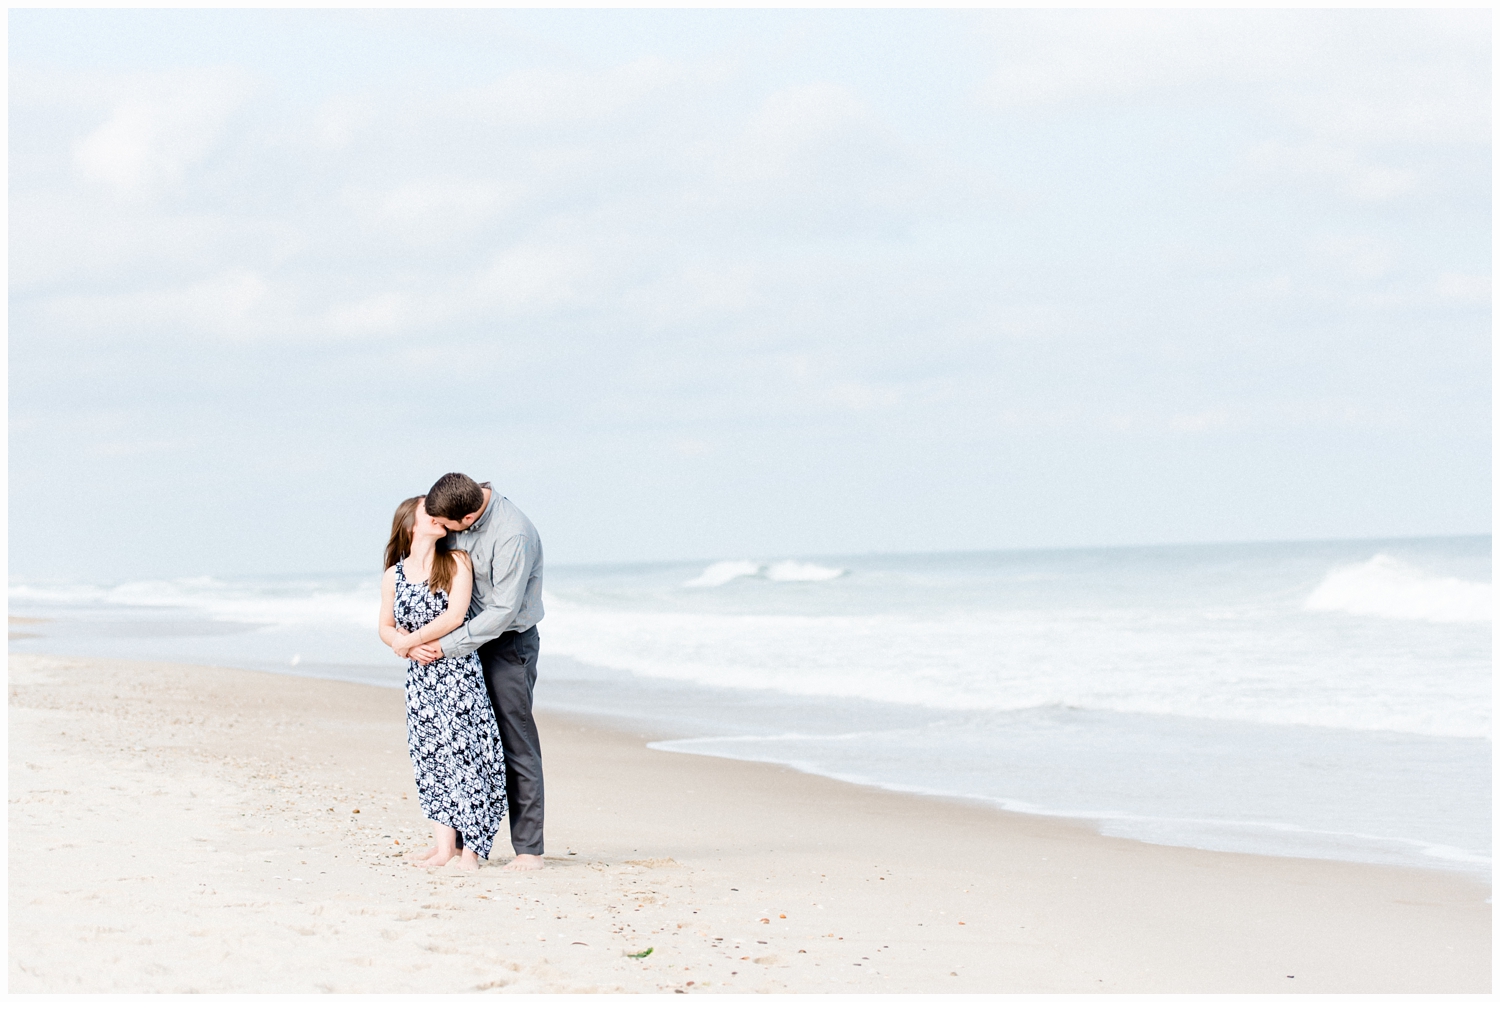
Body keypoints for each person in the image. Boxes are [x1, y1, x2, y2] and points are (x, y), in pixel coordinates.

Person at [399, 472, 546, 870]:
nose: (444, 531)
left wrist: (443, 646)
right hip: (460, 644)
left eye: (448, 527)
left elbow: (502, 611)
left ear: (466, 520)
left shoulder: (512, 534)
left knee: (515, 741)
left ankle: (529, 851)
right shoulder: (456, 501)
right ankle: (457, 845)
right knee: (463, 742)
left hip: (505, 643)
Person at [379, 495, 508, 870]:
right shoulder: (394, 575)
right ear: (409, 523)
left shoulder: (455, 562)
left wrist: (410, 641)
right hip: (420, 679)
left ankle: (473, 852)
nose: (438, 516)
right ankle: (444, 848)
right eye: (427, 511)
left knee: (468, 756)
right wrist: (402, 646)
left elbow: (455, 617)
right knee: (431, 758)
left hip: (456, 673)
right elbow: (385, 629)